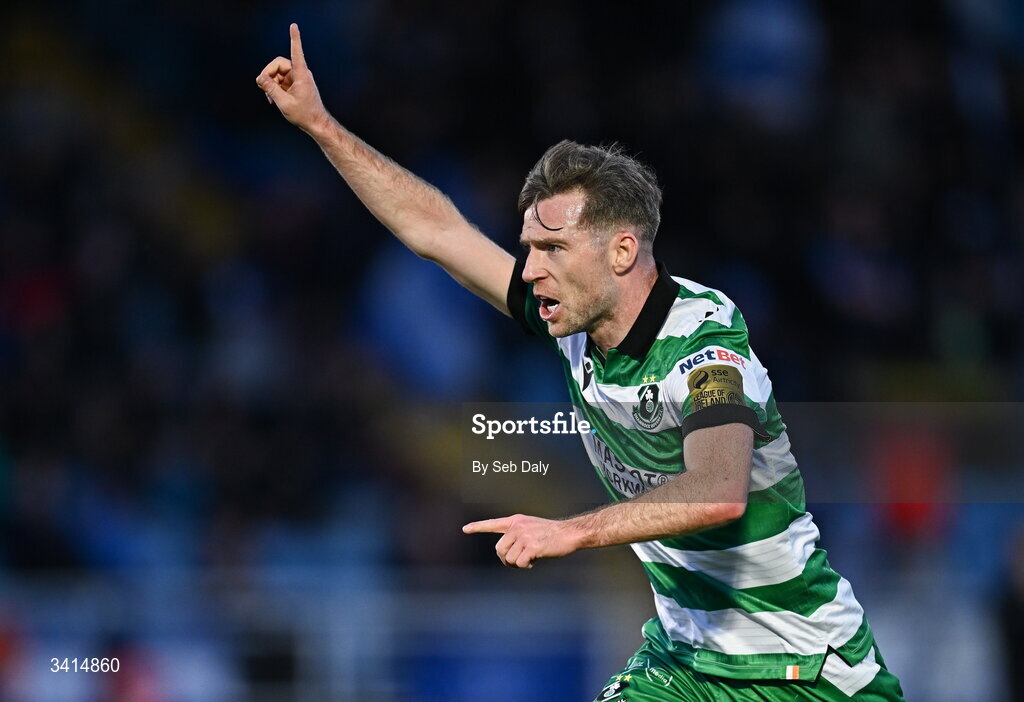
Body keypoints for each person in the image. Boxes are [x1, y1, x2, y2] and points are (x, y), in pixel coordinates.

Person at [257, 24, 906, 701]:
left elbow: (718, 489)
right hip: (687, 662)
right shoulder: (570, 326)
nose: (531, 269)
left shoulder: (705, 348)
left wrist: (573, 531)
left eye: (553, 250)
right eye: (529, 248)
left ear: (621, 253)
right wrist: (321, 125)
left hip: (803, 671)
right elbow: (438, 231)